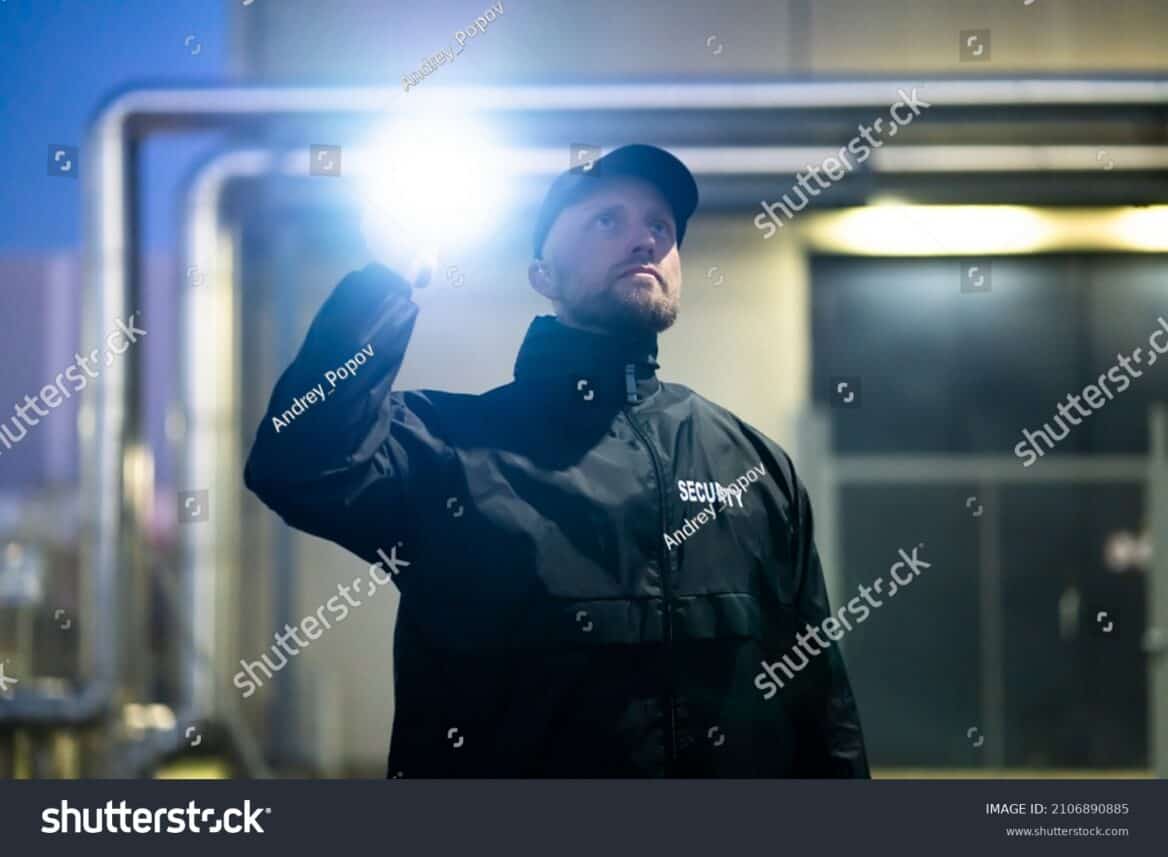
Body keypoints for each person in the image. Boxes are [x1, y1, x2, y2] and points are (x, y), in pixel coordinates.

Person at [244, 144, 870, 777]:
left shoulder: (753, 466)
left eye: (661, 225)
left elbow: (821, 700)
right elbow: (300, 462)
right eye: (608, 220)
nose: (643, 240)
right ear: (541, 274)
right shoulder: (450, 446)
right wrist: (388, 280)